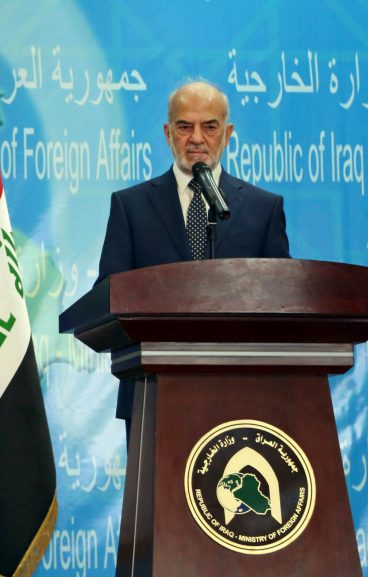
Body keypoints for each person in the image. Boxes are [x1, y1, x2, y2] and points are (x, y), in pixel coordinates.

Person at [96, 80, 290, 440]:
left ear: (228, 133)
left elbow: (282, 300)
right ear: (168, 133)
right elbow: (108, 296)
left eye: (210, 126)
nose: (197, 138)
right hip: (151, 389)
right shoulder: (131, 207)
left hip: (244, 394)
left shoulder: (264, 209)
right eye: (185, 127)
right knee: (156, 499)